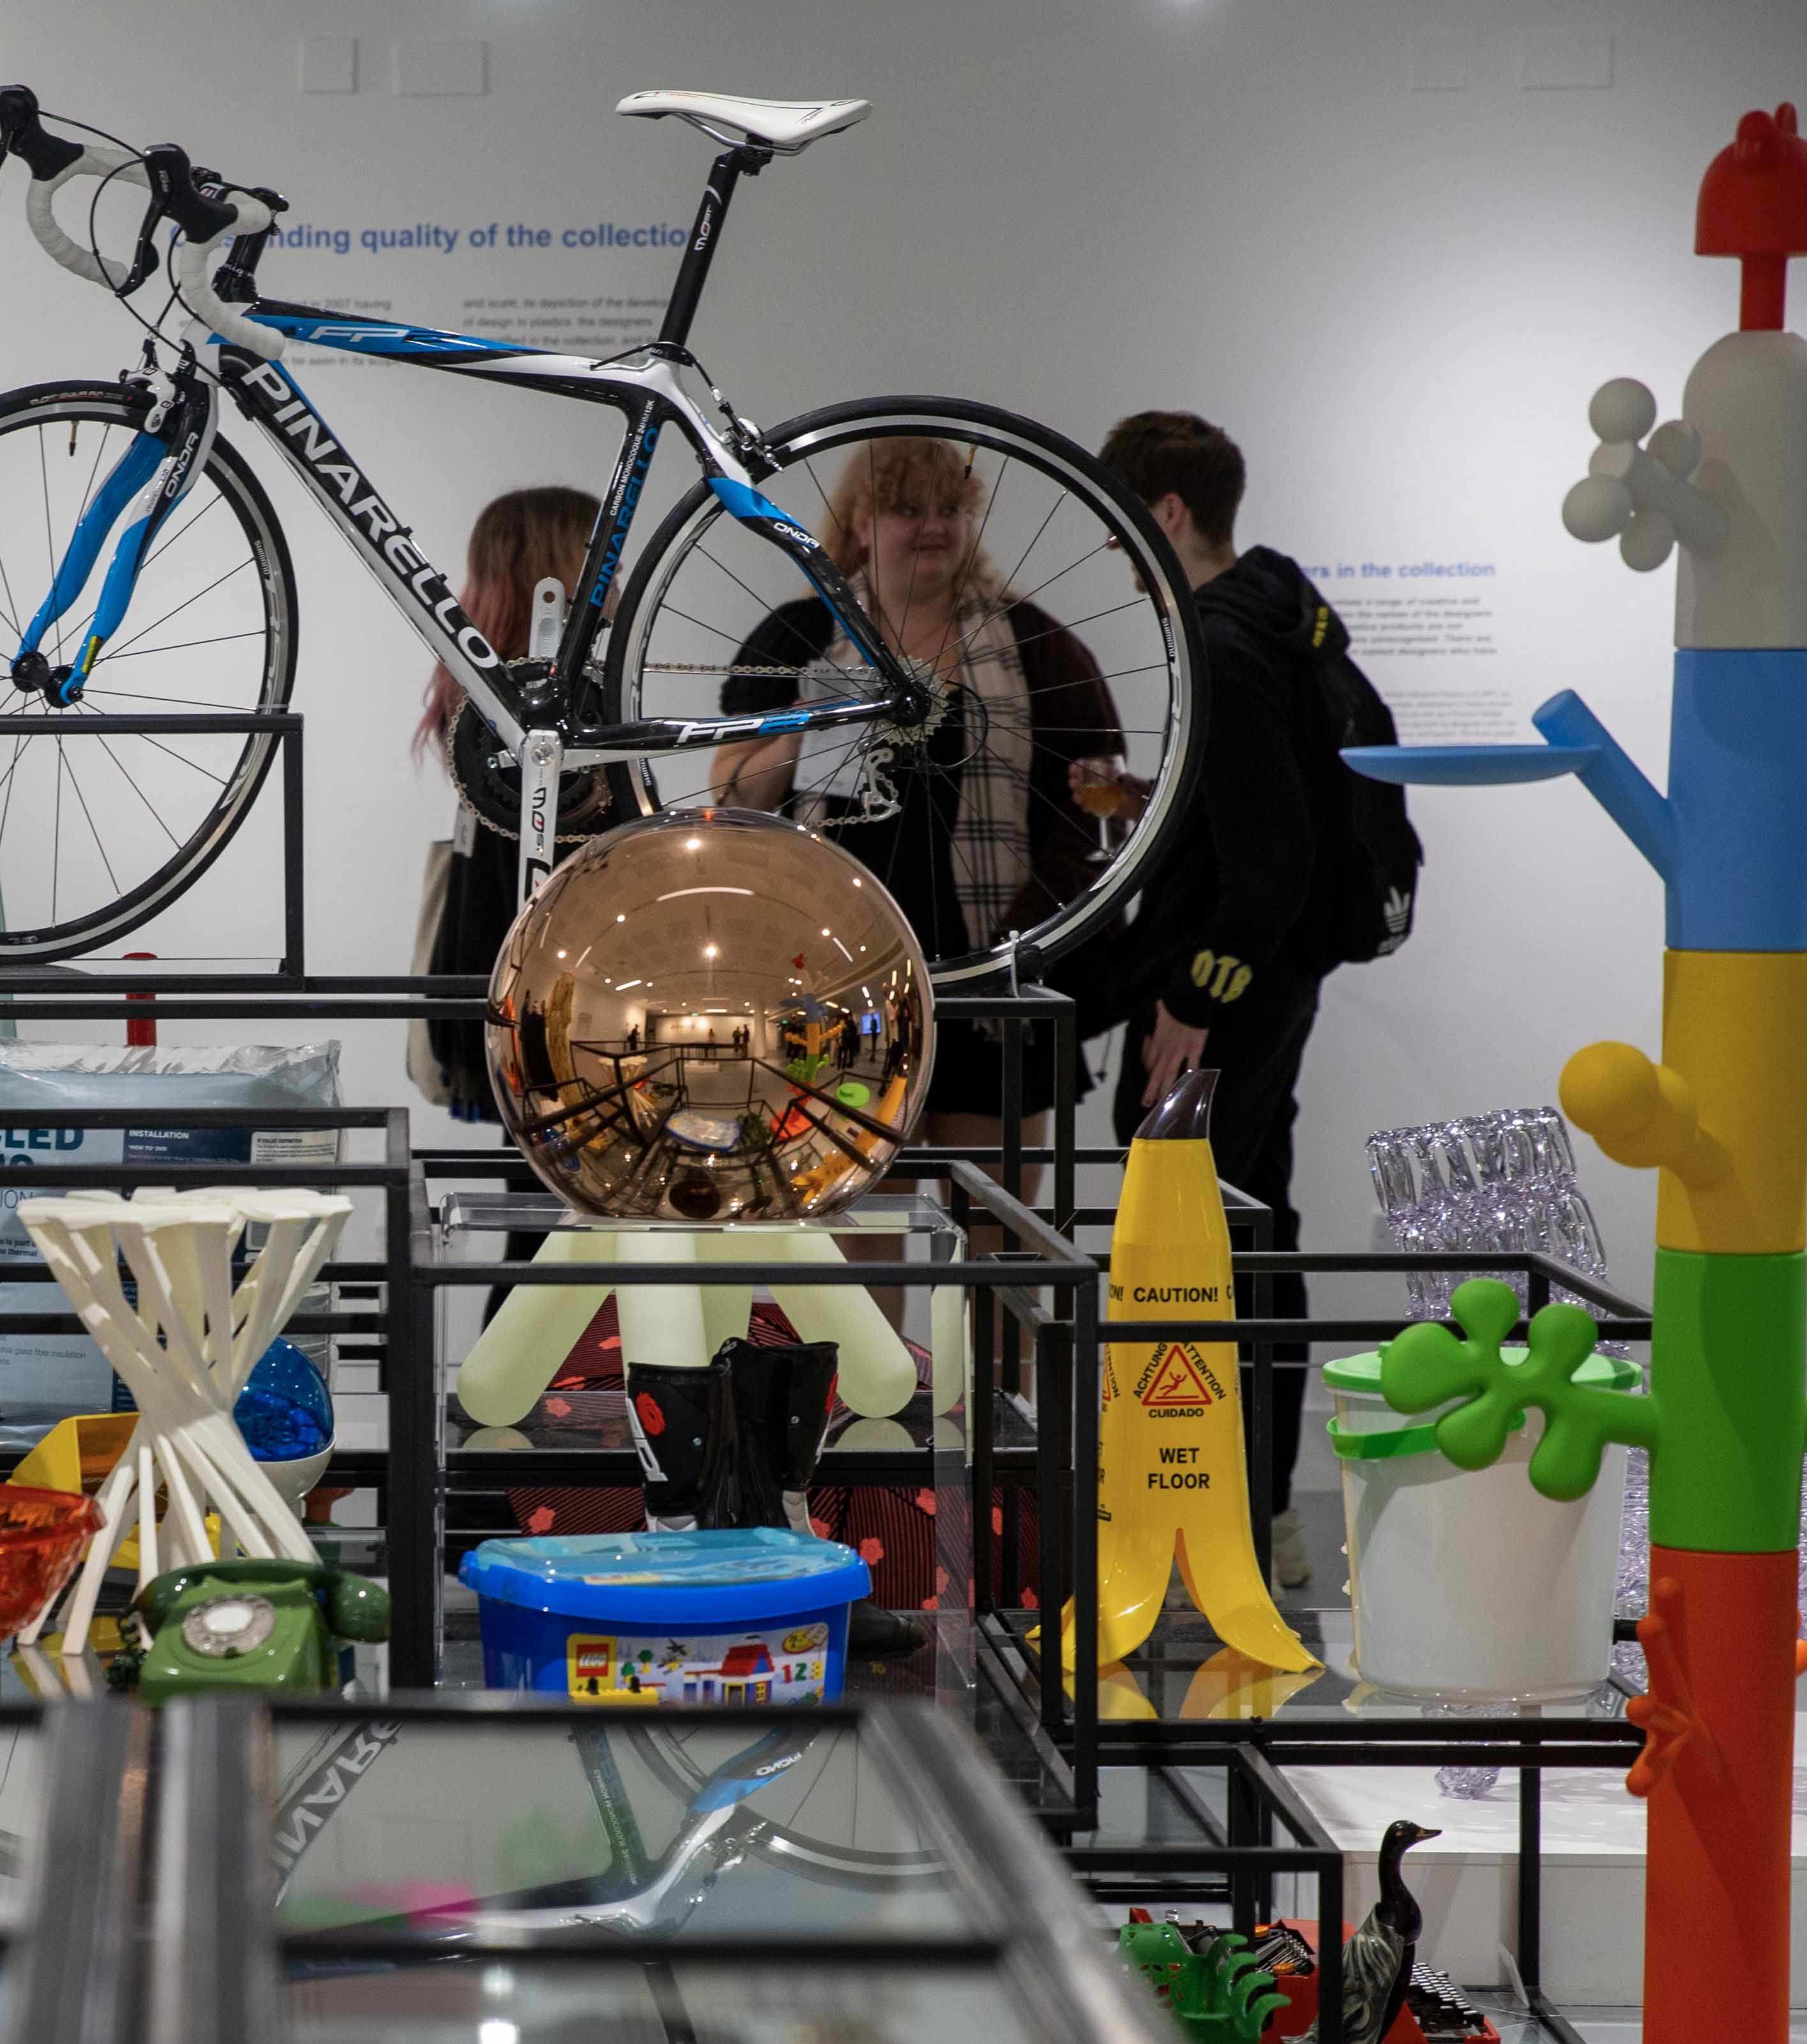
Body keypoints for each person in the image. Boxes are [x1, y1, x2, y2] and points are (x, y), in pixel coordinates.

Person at [1084, 407, 1347, 1587]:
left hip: (1222, 1001)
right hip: (1269, 990)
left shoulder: (1224, 646)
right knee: (1253, 1240)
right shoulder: (1272, 615)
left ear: (1167, 512)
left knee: (1196, 1255)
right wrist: (1143, 796)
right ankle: (1254, 1515)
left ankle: (1202, 1529)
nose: (1112, 546)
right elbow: (1256, 809)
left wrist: (1193, 998)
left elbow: (1271, 864)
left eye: (1119, 519)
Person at [708, 437, 1126, 1173]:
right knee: (859, 1223)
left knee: (995, 1225)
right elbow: (732, 795)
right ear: (860, 522)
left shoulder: (1035, 644)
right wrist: (807, 725)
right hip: (837, 975)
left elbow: (1090, 813)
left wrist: (1024, 939)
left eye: (950, 509)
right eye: (907, 509)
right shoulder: (797, 637)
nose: (933, 527)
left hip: (992, 975)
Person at [415, 485, 621, 1118]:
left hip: (498, 963)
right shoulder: (546, 715)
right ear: (555, 572)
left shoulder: (486, 701)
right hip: (557, 993)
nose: (620, 577)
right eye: (604, 560)